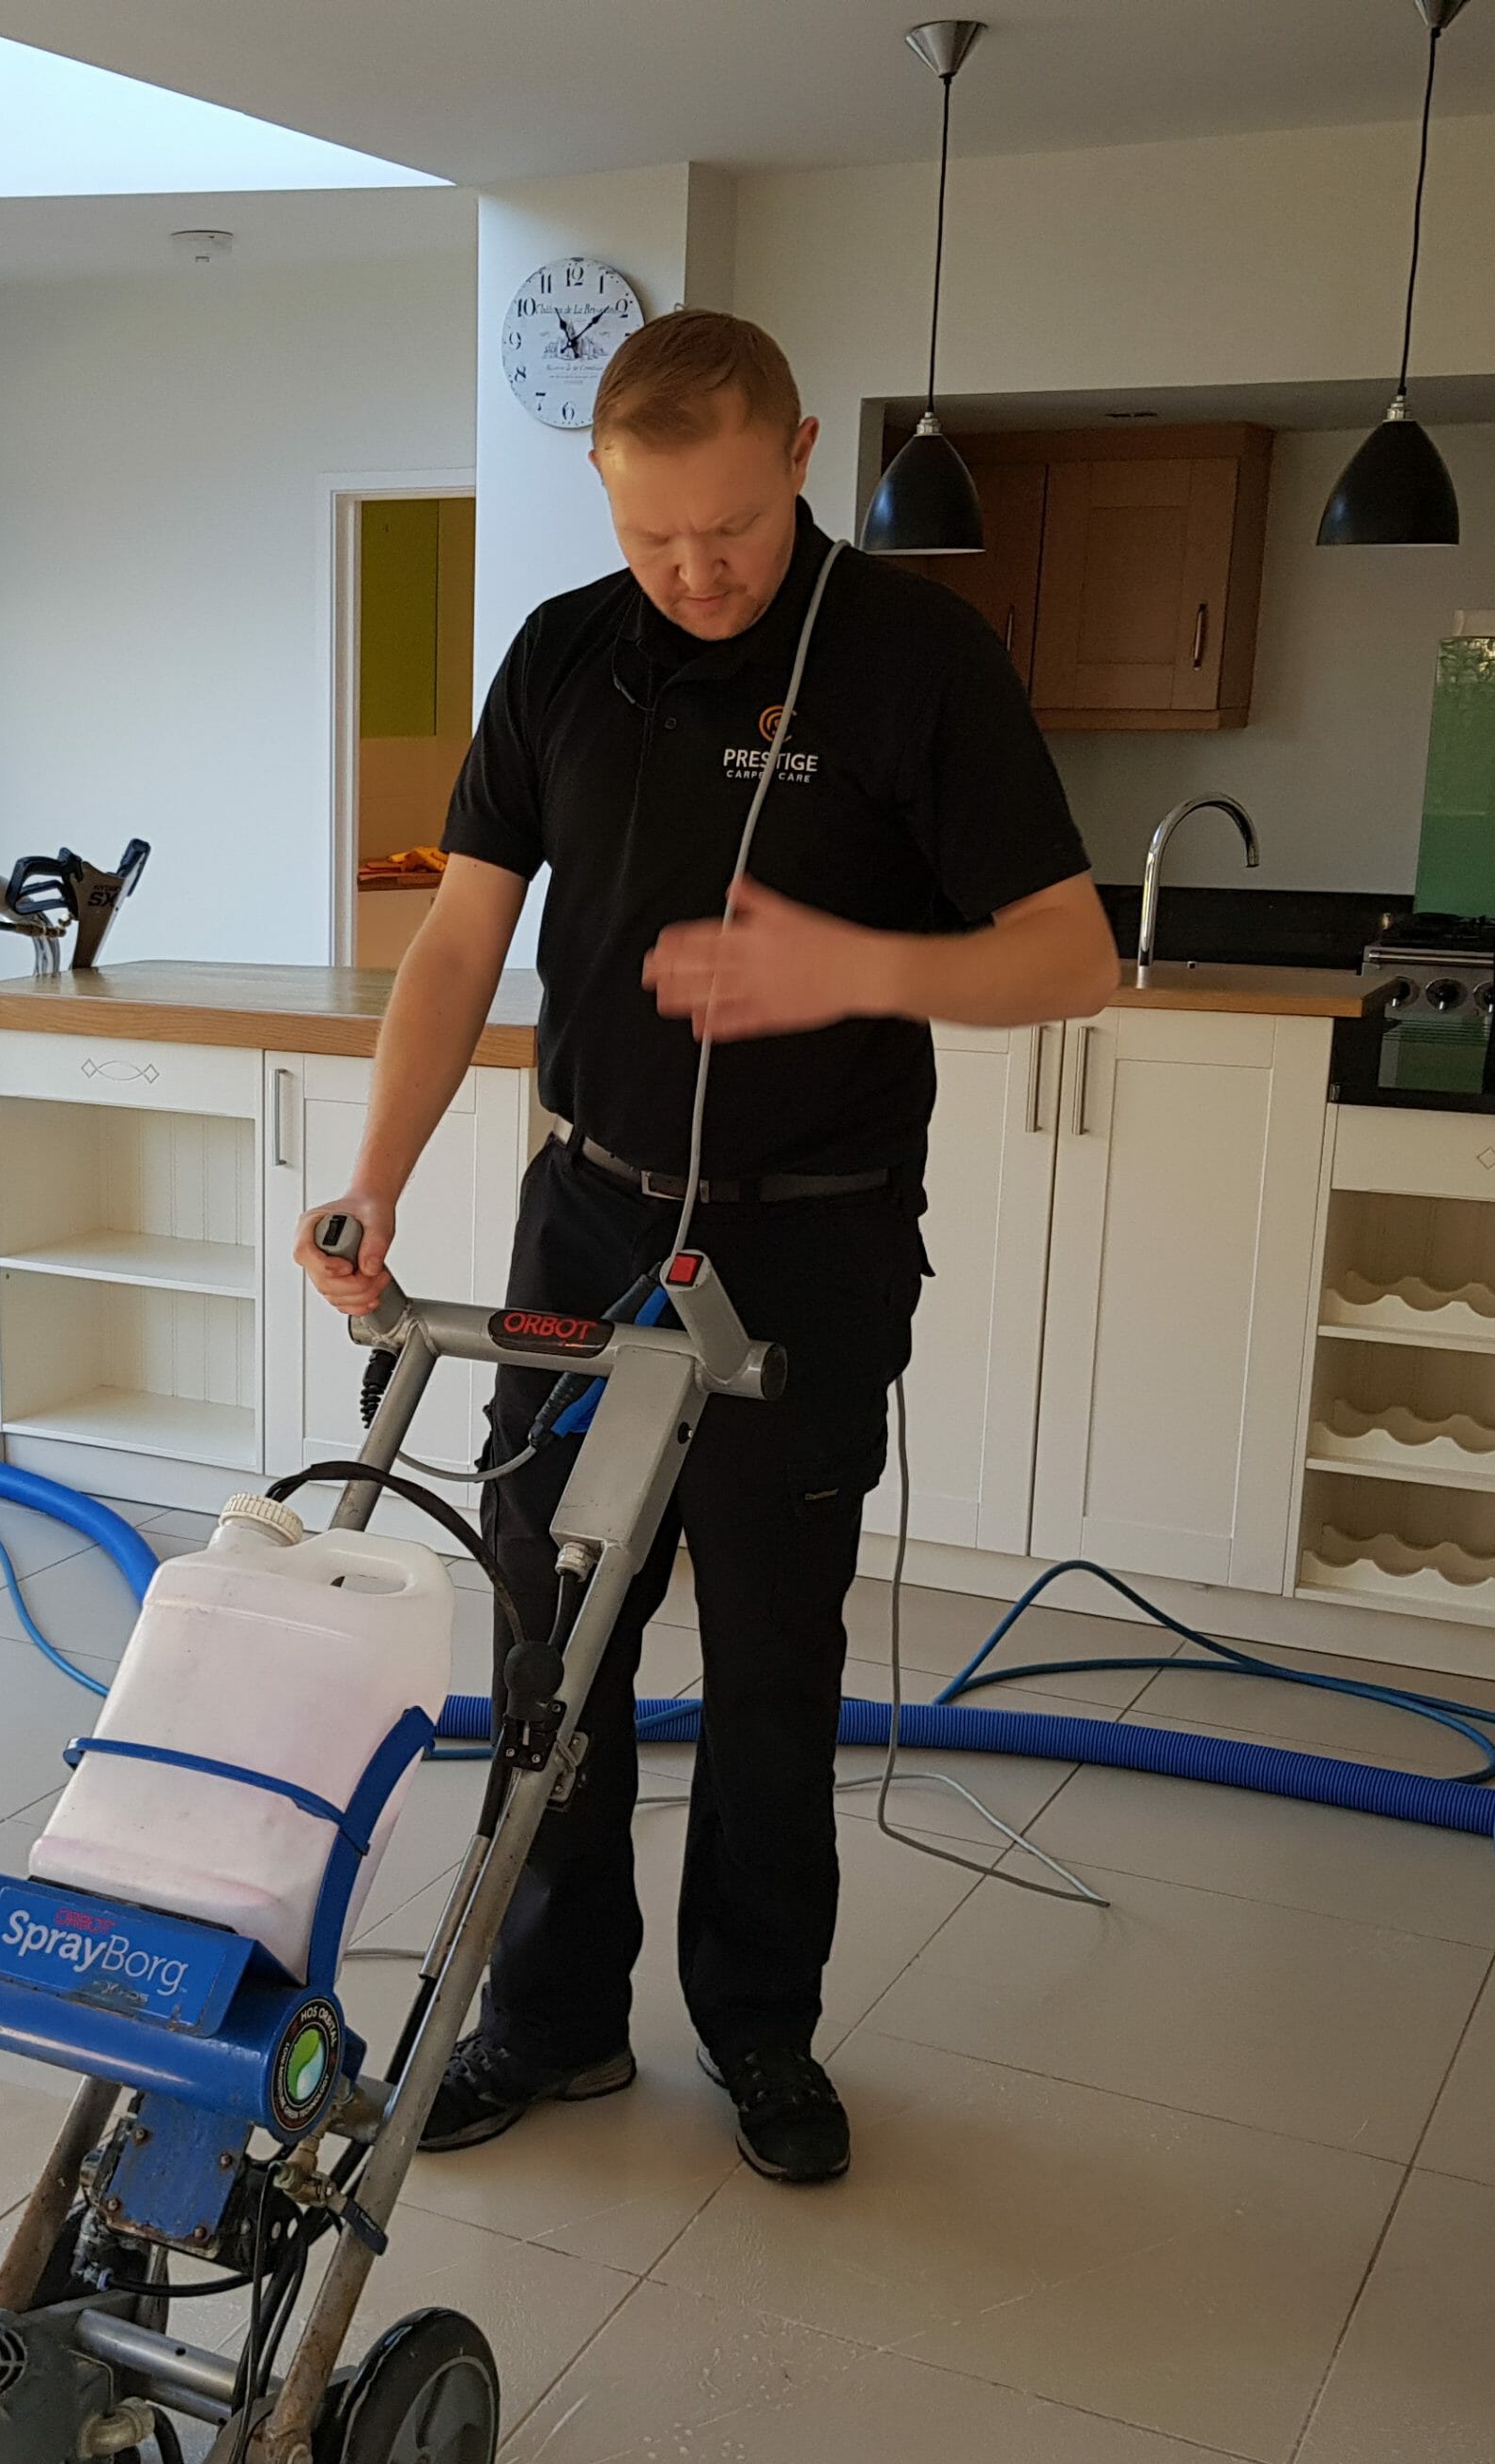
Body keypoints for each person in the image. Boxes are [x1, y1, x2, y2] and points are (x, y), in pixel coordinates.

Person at [292, 310, 1117, 2184]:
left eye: (731, 528)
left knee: (768, 1656)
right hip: (582, 1222)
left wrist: (855, 967)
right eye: (659, 534)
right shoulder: (565, 655)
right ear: (606, 487)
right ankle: (554, 2018)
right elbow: (459, 942)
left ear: (804, 452)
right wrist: (377, 1175)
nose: (697, 571)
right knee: (550, 1636)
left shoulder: (919, 659)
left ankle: (758, 2028)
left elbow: (1075, 953)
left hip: (807, 1246)